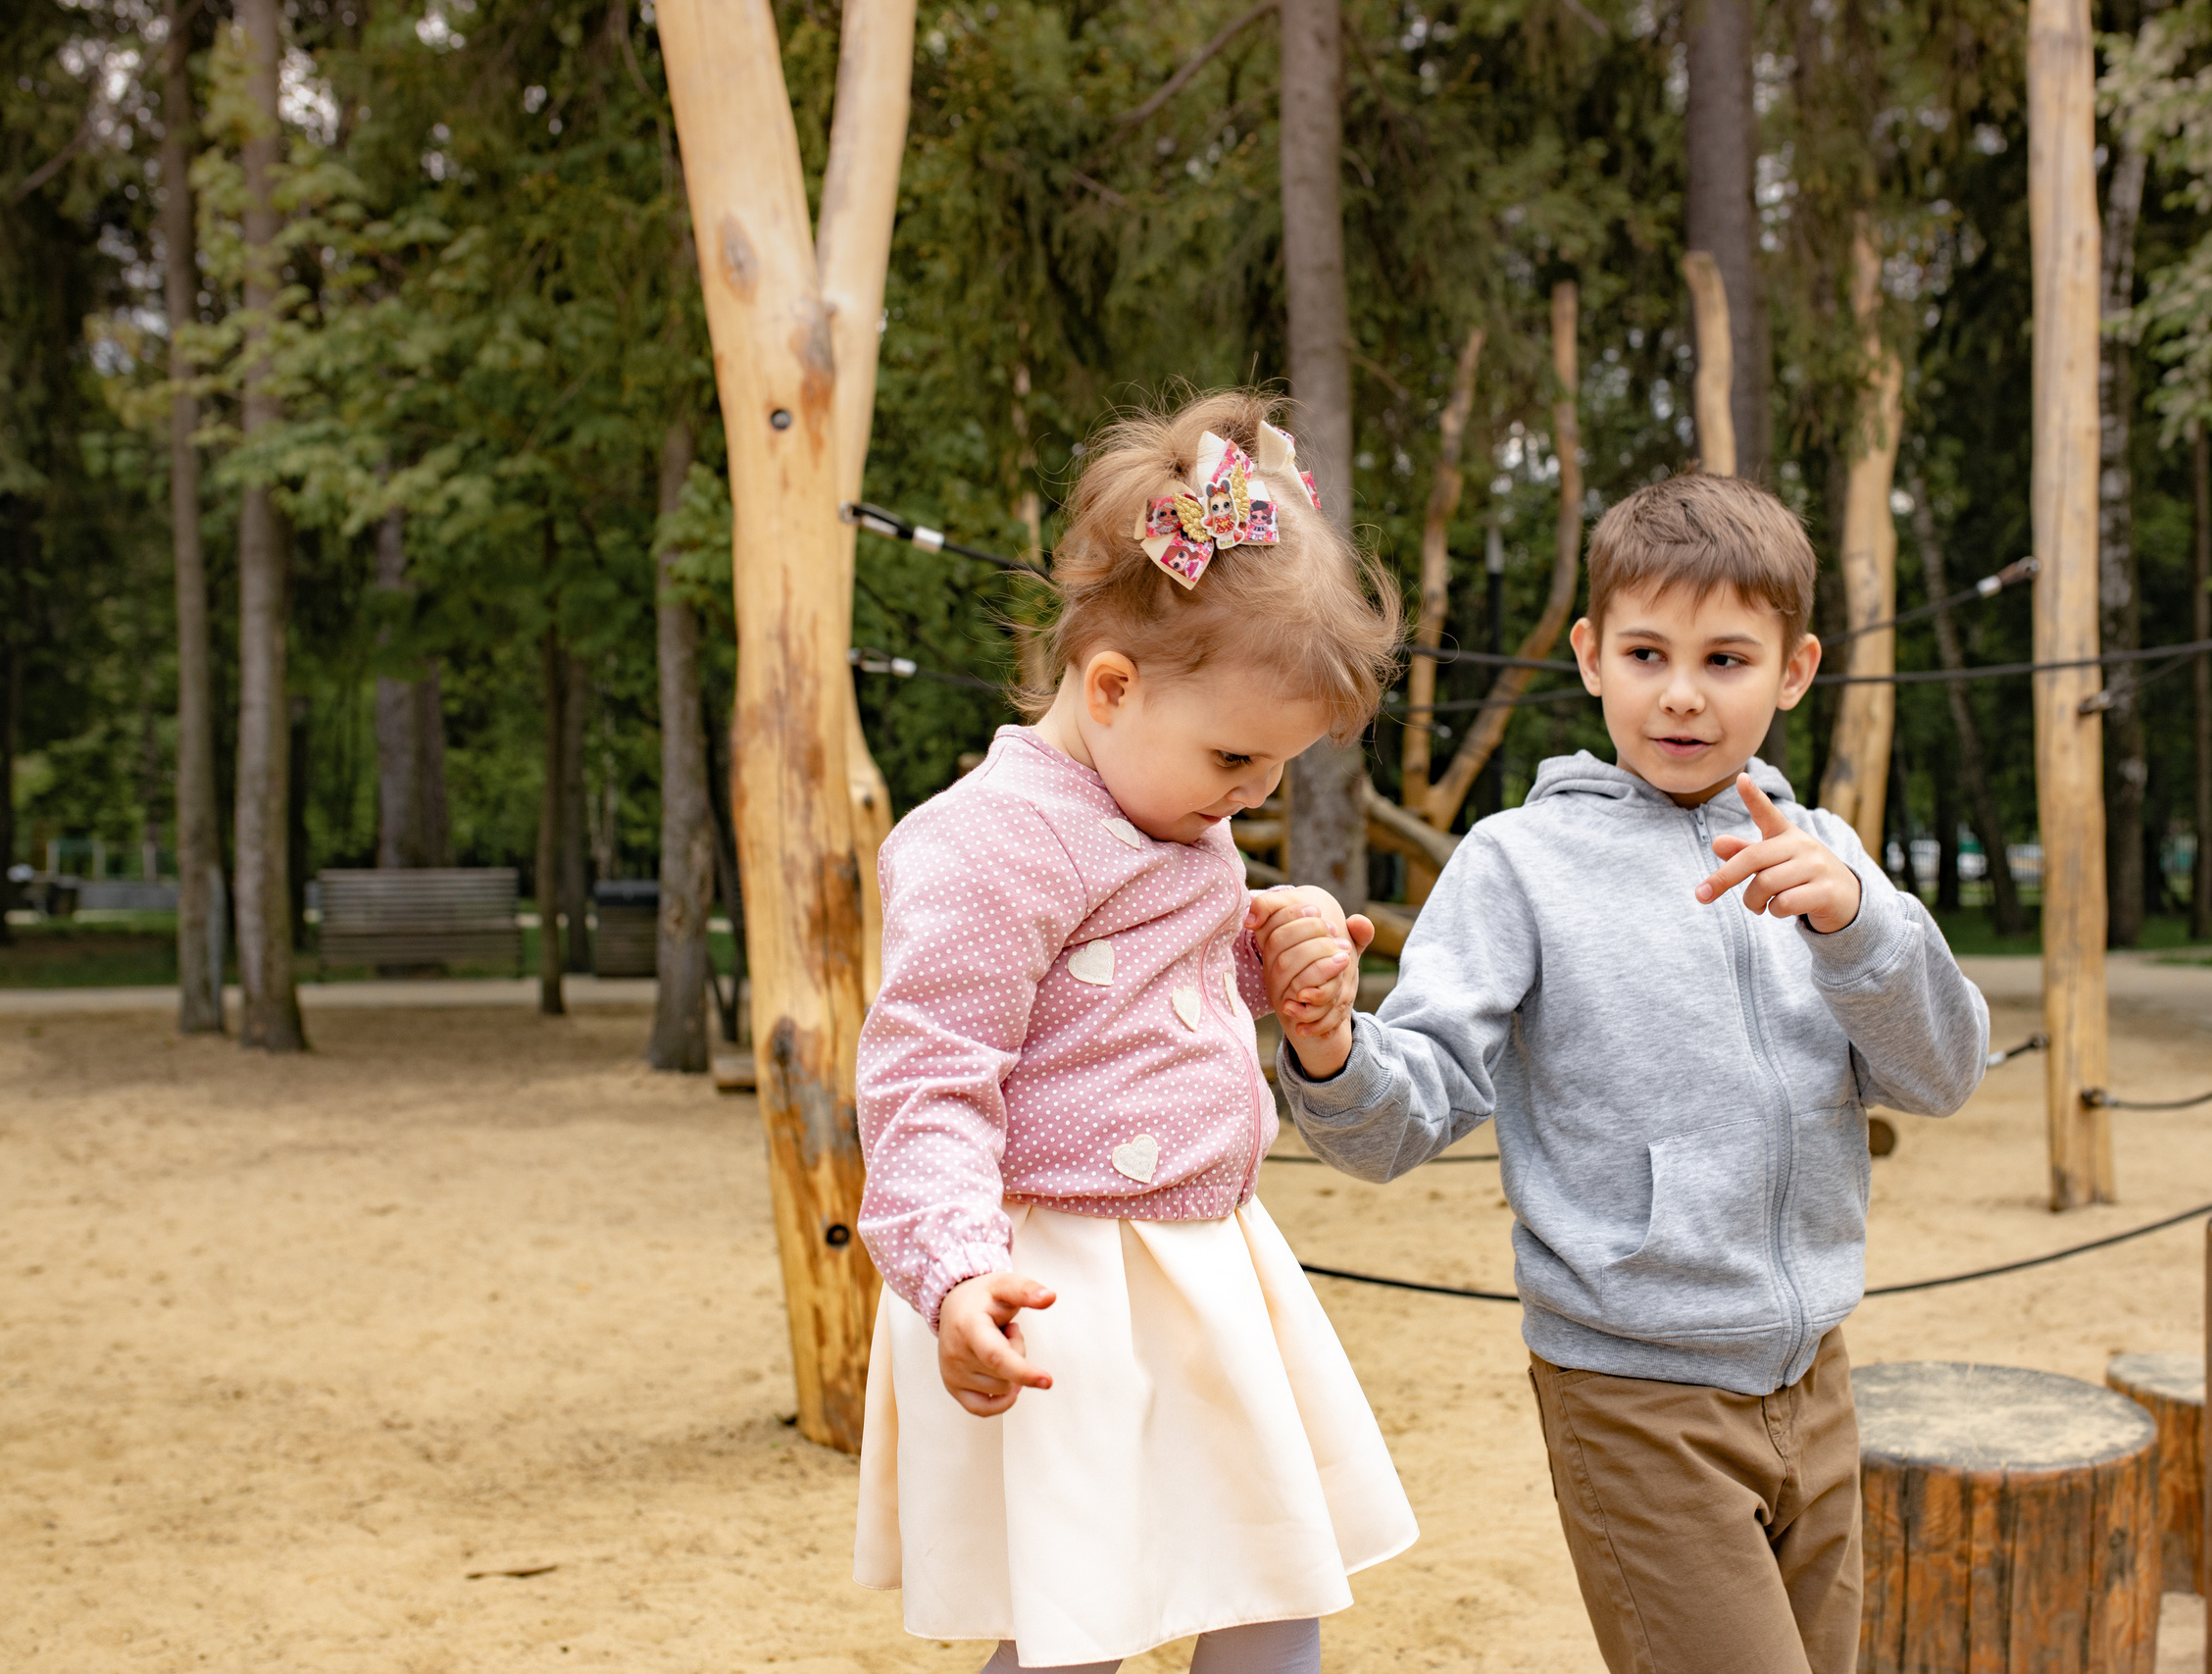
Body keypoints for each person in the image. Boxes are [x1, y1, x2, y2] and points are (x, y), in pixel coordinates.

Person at [1260, 473, 1990, 1674]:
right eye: (1648, 653)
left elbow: (1942, 1072)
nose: (1683, 694)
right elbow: (1397, 1124)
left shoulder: (1830, 855)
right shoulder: (1519, 864)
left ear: (1794, 670)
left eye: (1726, 659)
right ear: (1592, 656)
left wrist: (1862, 928)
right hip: (1635, 1390)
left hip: (1813, 1374)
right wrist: (1332, 1049)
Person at [852, 391, 1418, 1674]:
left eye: (1275, 769)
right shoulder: (988, 842)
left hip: (1200, 1267)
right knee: (1078, 1619)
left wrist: (1276, 956)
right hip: (1060, 1283)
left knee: (1271, 1571)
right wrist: (953, 1270)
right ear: (1109, 686)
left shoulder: (1170, 810)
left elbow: (1145, 983)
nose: (1251, 796)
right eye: (1235, 758)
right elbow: (925, 1077)